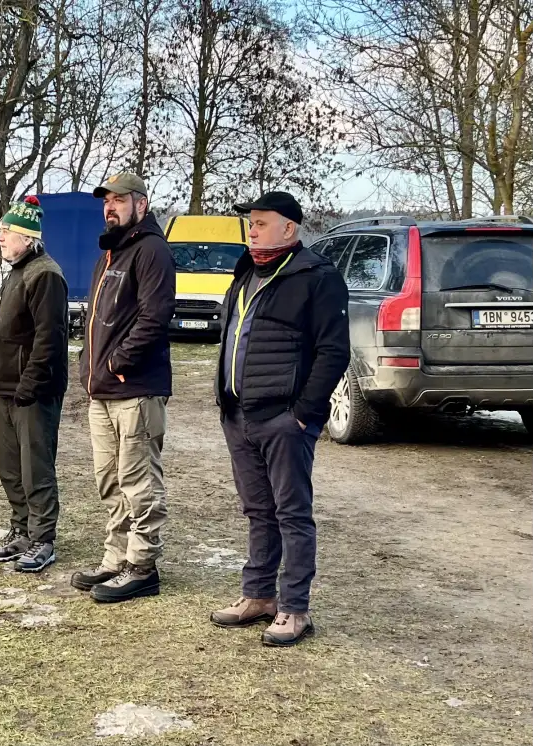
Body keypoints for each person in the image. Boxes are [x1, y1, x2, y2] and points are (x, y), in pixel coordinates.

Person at [208, 191, 349, 646]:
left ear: (289, 228)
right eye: (250, 223)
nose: (252, 231)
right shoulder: (246, 271)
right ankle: (258, 595)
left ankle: (294, 608)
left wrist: (303, 414)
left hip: (284, 419)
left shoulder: (317, 277)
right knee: (258, 511)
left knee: (292, 513)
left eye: (261, 223)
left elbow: (333, 352)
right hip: (239, 415)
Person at [70, 172, 176, 603]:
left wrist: (117, 362)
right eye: (106, 201)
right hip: (102, 392)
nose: (109, 207)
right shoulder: (112, 252)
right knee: (109, 480)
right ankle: (116, 558)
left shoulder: (152, 251)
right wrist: (88, 365)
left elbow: (155, 317)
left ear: (141, 205)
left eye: (118, 200)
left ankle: (142, 566)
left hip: (136, 390)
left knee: (139, 480)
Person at [0, 196, 69, 573]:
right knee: (11, 467)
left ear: (27, 238)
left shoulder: (46, 275)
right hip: (8, 389)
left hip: (35, 392)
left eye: (6, 232)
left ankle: (43, 538)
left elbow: (49, 338)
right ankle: (22, 529)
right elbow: (1, 325)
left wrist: (30, 382)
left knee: (35, 468)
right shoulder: (16, 272)